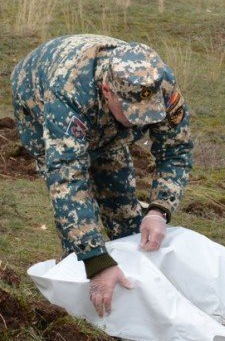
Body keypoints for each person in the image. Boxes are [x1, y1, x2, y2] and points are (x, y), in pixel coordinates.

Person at [11, 34, 193, 318]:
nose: (140, 121)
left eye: (148, 113)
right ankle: (80, 301)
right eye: (132, 112)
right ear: (108, 90)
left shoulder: (159, 84)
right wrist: (96, 260)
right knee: (80, 237)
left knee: (126, 215)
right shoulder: (68, 92)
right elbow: (67, 178)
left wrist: (159, 210)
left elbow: (176, 152)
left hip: (102, 120)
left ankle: (136, 297)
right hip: (36, 97)